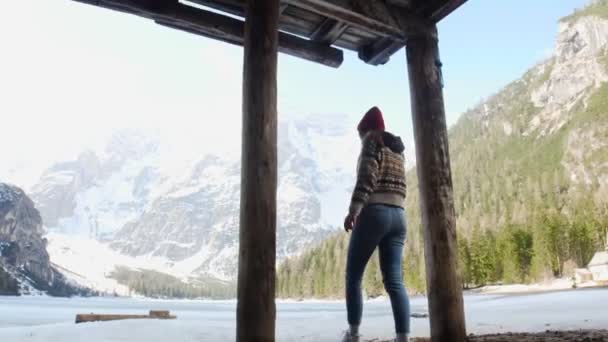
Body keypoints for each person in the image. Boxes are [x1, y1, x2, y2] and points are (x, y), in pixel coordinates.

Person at [341, 106, 410, 342]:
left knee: (353, 276)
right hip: (399, 216)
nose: (361, 139)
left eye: (361, 133)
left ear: (367, 129)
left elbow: (367, 177)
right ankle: (402, 337)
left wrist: (354, 211)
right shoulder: (397, 150)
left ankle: (353, 334)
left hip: (375, 213)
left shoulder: (372, 140)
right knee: (394, 281)